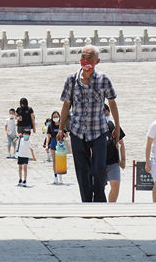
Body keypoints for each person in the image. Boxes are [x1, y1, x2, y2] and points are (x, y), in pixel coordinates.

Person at [57, 44, 119, 203]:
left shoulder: (103, 80)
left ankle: (99, 199)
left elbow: (112, 103)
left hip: (98, 131)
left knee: (99, 168)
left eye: (89, 58)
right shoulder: (71, 79)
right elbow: (66, 105)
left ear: (97, 61)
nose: (85, 60)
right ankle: (86, 201)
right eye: (83, 57)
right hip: (77, 131)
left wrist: (117, 127)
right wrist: (60, 129)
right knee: (82, 170)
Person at [104, 104, 126, 202]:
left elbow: (121, 143)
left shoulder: (113, 125)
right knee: (99, 188)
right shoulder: (93, 128)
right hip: (98, 163)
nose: (106, 116)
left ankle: (111, 206)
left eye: (107, 114)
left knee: (116, 185)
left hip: (113, 162)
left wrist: (123, 160)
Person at [46, 111, 62, 183]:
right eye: (54, 117)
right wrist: (47, 145)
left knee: (60, 160)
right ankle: (55, 176)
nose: (55, 118)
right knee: (54, 161)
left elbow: (66, 134)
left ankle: (60, 176)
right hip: (53, 142)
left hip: (60, 143)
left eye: (57, 116)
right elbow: (48, 137)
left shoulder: (62, 125)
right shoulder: (50, 126)